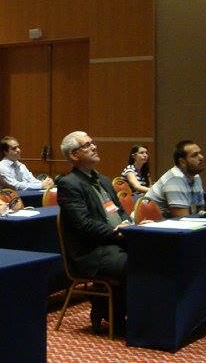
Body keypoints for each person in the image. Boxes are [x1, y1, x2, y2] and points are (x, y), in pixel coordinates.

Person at [57, 131, 130, 334]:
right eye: (87, 145)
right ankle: (116, 317)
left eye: (93, 143)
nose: (94, 147)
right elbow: (83, 225)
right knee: (134, 263)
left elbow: (120, 211)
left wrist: (131, 225)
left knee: (153, 255)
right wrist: (116, 233)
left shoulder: (104, 180)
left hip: (115, 242)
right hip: (90, 252)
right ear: (74, 155)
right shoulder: (68, 184)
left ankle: (144, 317)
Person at [145, 140, 205, 218]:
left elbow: (200, 211)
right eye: (195, 155)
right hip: (145, 223)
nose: (201, 157)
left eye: (199, 153)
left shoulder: (195, 177)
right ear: (182, 162)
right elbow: (183, 219)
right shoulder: (175, 180)